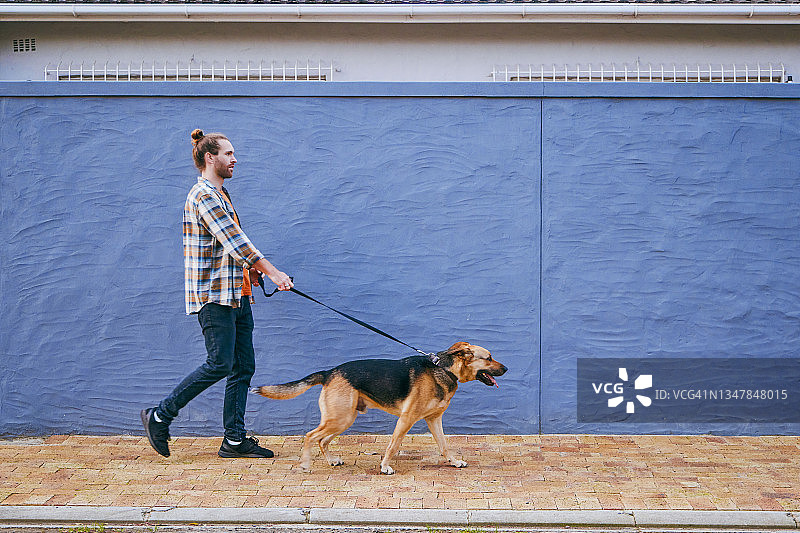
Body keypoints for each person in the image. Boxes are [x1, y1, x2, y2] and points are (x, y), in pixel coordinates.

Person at [141, 129, 293, 459]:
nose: (234, 159)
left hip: (236, 295)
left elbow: (226, 248)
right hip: (215, 297)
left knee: (242, 367)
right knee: (219, 363)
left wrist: (251, 271)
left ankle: (234, 440)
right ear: (210, 158)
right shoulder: (203, 196)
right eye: (228, 153)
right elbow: (235, 240)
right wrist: (273, 272)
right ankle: (160, 415)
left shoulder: (221, 195)